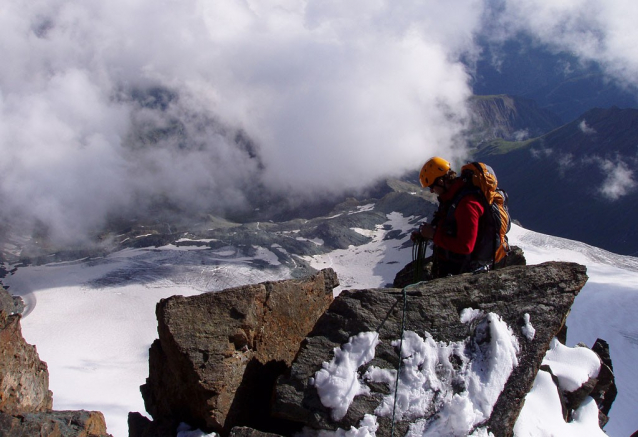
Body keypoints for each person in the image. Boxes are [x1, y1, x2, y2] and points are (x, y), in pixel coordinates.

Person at [411, 156, 486, 278]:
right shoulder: (451, 198)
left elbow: (466, 246)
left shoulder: (467, 204)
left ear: (441, 182)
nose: (431, 191)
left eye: (431, 186)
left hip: (463, 271)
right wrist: (425, 235)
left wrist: (433, 235)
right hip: (453, 267)